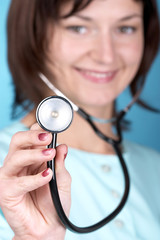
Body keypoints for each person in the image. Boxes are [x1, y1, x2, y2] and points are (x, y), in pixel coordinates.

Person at [0, 0, 160, 239]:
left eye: (125, 28)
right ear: (33, 36)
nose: (106, 55)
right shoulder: (10, 172)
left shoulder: (154, 166)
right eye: (78, 28)